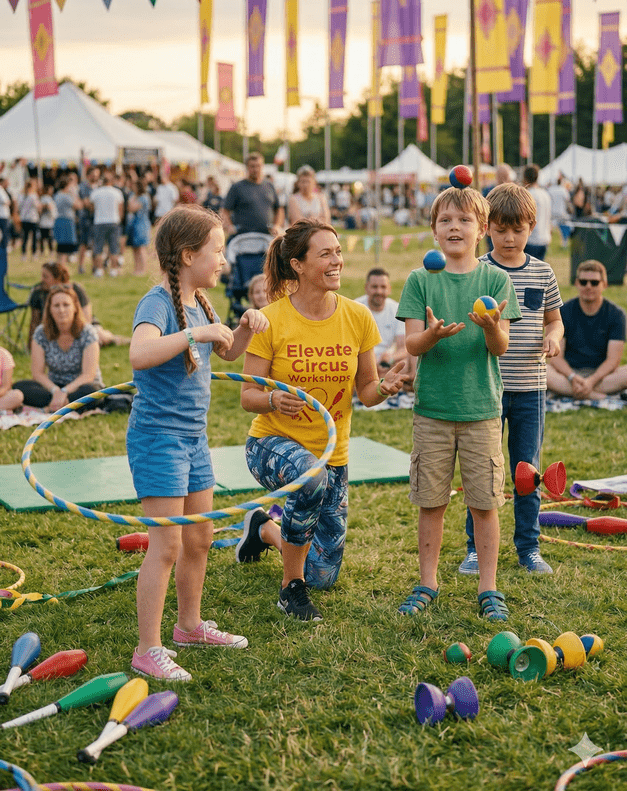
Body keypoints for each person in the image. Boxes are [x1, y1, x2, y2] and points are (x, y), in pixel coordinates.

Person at [235, 219, 406, 621]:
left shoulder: (356, 317)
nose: (337, 261)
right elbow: (247, 397)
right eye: (325, 253)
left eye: (338, 252)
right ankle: (289, 589)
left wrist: (385, 387)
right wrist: (273, 398)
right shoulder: (270, 319)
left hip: (333, 453)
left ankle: (262, 529)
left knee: (324, 574)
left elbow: (365, 391)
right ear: (298, 265)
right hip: (270, 445)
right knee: (310, 478)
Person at [127, 204, 269, 682]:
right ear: (188, 255)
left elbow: (227, 350)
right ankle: (148, 649)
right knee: (164, 546)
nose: (224, 260)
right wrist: (194, 331)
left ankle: (189, 625)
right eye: (217, 250)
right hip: (158, 439)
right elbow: (139, 353)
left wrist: (246, 324)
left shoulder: (202, 302)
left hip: (194, 438)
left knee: (199, 538)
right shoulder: (159, 303)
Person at [396, 186, 520, 621]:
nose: (455, 227)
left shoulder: (495, 281)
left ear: (482, 230)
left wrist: (489, 326)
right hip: (432, 409)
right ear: (433, 231)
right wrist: (431, 336)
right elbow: (412, 345)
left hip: (481, 409)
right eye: (445, 220)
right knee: (431, 502)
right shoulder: (420, 280)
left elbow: (500, 347)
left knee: (484, 503)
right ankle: (427, 581)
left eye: (465, 220)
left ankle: (489, 587)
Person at [461, 183, 564, 576]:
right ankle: (474, 548)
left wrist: (553, 338)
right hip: (486, 388)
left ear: (531, 227)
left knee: (526, 470)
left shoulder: (542, 272)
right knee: (483, 472)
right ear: (487, 228)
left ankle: (529, 548)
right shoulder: (479, 272)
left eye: (517, 230)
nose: (509, 238)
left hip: (531, 389)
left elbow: (554, 320)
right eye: (501, 229)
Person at [13, 285, 104, 411]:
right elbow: (37, 374)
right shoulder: (41, 333)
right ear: (49, 309)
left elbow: (88, 375)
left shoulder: (88, 332)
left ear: (75, 308)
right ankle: (64, 405)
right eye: (56, 306)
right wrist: (56, 391)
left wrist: (65, 391)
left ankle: (55, 406)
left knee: (92, 393)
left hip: (81, 386)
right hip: (53, 387)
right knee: (19, 388)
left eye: (66, 305)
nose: (61, 310)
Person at [546, 259, 627, 399]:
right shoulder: (563, 312)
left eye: (594, 283)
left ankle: (576, 392)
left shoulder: (617, 314)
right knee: (537, 370)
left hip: (602, 376)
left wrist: (591, 381)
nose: (588, 286)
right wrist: (572, 377)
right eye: (583, 282)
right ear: (577, 283)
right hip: (568, 374)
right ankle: (595, 395)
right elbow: (556, 358)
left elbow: (613, 361)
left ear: (604, 284)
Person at [28, 261, 130, 348]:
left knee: (100, 337)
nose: (42, 280)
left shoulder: (75, 289)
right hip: (52, 328)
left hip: (81, 325)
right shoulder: (38, 293)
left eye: (45, 277)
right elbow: (34, 321)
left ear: (57, 278)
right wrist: (31, 345)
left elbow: (87, 318)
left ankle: (119, 340)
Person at [354, 267, 411, 383]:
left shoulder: (396, 309)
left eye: (383, 287)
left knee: (408, 361)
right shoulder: (355, 308)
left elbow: (404, 346)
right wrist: (371, 361)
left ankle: (384, 386)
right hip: (362, 357)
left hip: (387, 360)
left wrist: (389, 359)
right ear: (366, 288)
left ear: (389, 289)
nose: (379, 291)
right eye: (375, 287)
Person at [221, 152, 284, 240]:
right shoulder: (237, 187)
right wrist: (229, 226)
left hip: (267, 237)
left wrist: (277, 226)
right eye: (252, 166)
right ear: (247, 167)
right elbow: (225, 211)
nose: (256, 169)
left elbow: (279, 209)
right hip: (242, 238)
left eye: (258, 166)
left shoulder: (269, 186)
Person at [90, 170, 124, 277]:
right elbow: (121, 209)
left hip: (99, 221)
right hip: (113, 221)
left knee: (98, 247)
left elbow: (91, 208)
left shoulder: (96, 192)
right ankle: (113, 269)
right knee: (114, 247)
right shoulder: (117, 192)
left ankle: (99, 270)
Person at [522, 165, 552, 261]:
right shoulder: (545, 194)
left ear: (525, 178)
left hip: (532, 239)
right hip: (544, 238)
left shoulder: (528, 194)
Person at [125, 178, 151, 275]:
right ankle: (137, 269)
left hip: (141, 225)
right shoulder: (133, 195)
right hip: (133, 224)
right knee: (134, 248)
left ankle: (143, 269)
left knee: (141, 247)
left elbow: (132, 208)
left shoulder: (143, 197)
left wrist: (131, 200)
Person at [53, 174, 80, 265]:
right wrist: (74, 194)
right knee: (65, 248)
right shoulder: (66, 196)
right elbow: (78, 205)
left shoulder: (57, 195)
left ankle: (59, 264)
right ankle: (62, 266)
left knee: (60, 247)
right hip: (67, 222)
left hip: (59, 220)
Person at [547, 175, 572, 247]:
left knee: (550, 228)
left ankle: (548, 243)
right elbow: (567, 200)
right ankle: (564, 243)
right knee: (564, 227)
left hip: (552, 212)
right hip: (561, 212)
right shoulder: (563, 190)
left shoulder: (550, 189)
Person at [19, 179, 41, 260]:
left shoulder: (21, 195)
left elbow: (19, 206)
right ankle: (34, 254)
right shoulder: (33, 195)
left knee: (24, 237)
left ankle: (24, 254)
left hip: (24, 218)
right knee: (34, 238)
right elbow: (38, 206)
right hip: (33, 218)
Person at [0, 346, 24, 412]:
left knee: (17, 396)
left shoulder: (4, 355)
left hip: (1, 395)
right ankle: (5, 411)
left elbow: (6, 386)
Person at [38, 184, 57, 256]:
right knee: (45, 238)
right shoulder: (45, 198)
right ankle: (43, 251)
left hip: (49, 221)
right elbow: (42, 207)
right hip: (45, 221)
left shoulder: (50, 198)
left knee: (48, 238)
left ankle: (49, 251)